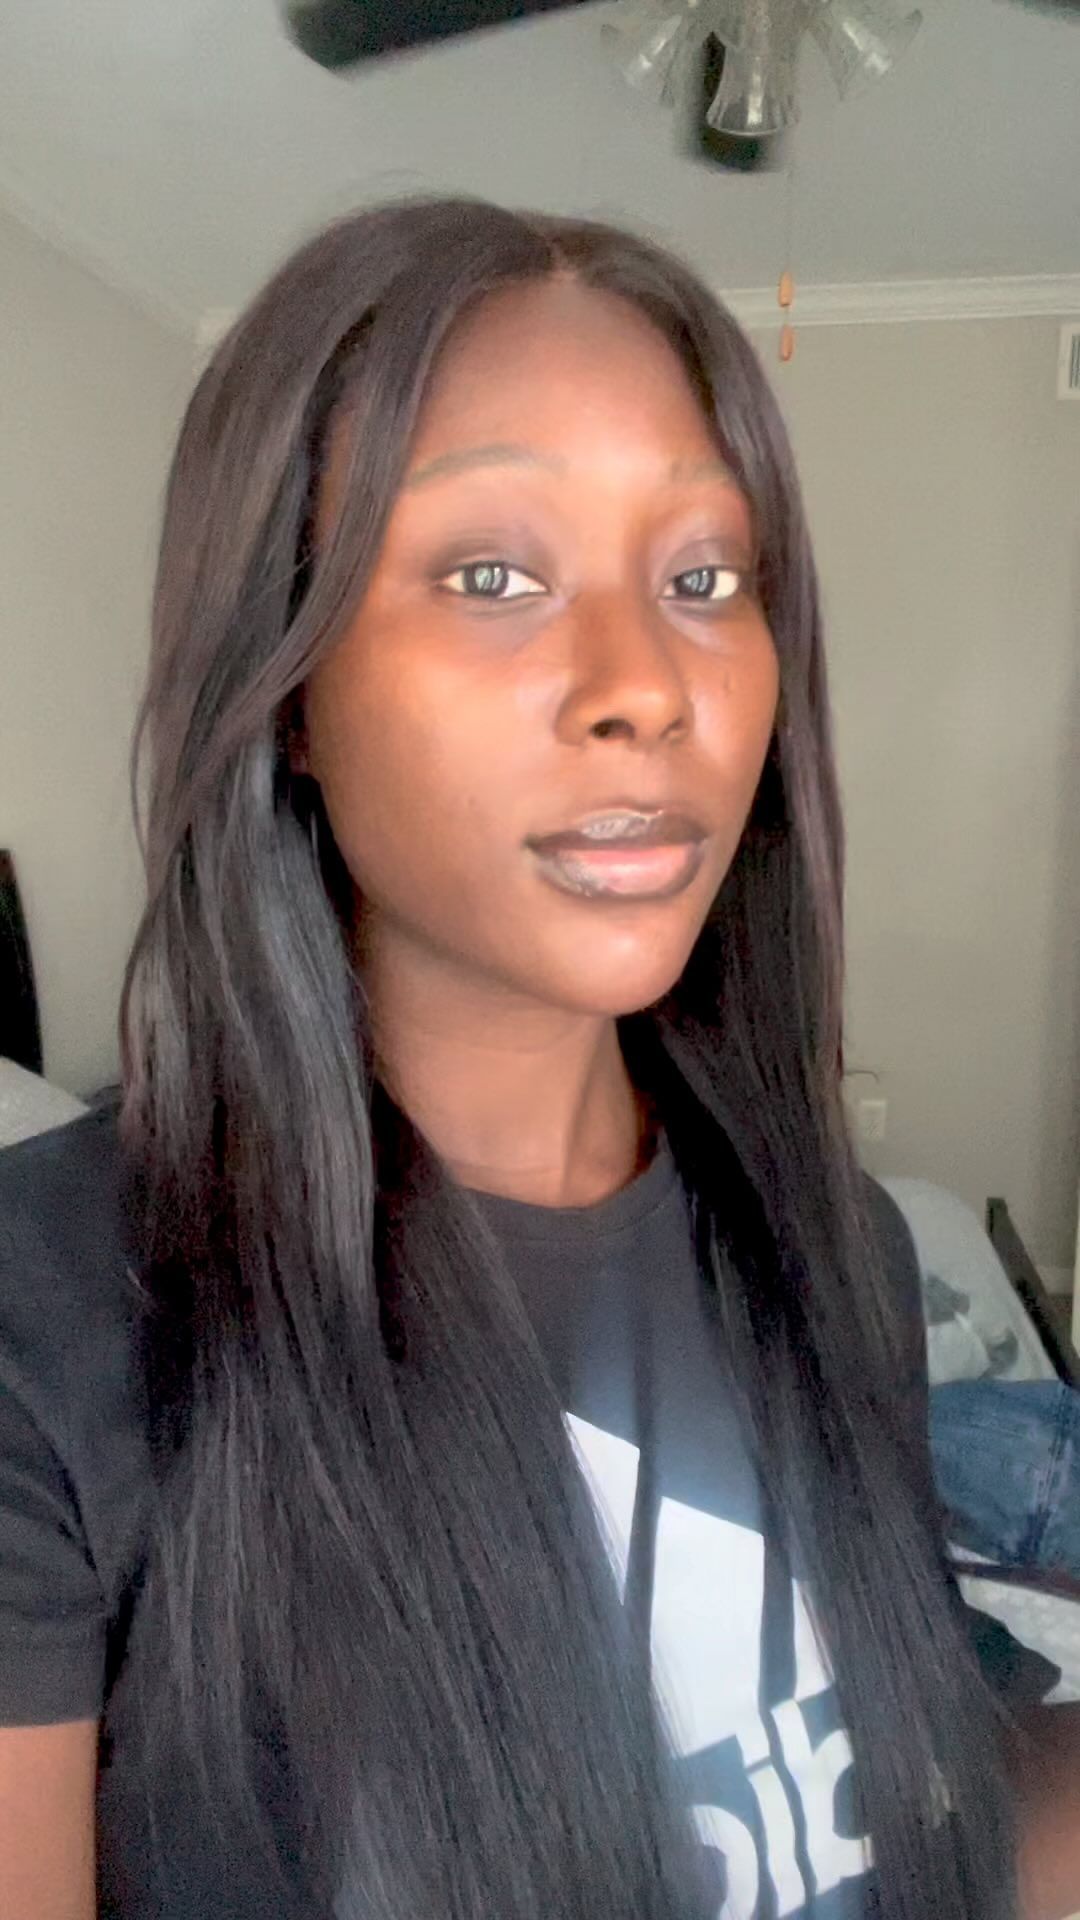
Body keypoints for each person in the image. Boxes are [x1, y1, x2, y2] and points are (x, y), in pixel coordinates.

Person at [0, 199, 1077, 1920]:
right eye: (492, 575)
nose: (646, 686)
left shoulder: (844, 1251)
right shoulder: (46, 1323)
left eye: (704, 579)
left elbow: (895, 1804)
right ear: (284, 683)